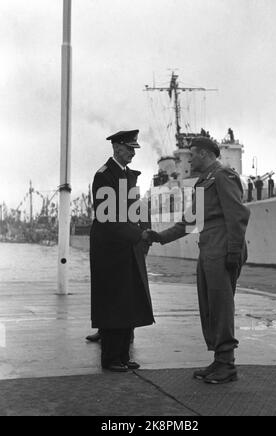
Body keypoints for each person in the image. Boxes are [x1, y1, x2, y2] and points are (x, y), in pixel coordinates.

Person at [147, 137, 250, 384]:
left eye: (192, 155)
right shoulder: (204, 182)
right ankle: (219, 359)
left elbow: (237, 215)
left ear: (204, 154)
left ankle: (227, 365)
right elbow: (189, 222)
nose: (189, 159)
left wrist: (234, 251)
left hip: (223, 247)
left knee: (221, 306)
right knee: (210, 306)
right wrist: (158, 236)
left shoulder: (223, 175)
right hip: (209, 247)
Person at [89, 129, 154, 372]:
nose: (132, 154)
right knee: (113, 301)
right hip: (110, 248)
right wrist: (139, 235)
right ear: (116, 148)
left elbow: (135, 209)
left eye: (134, 149)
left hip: (126, 245)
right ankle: (110, 357)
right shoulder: (104, 176)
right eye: (129, 149)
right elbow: (108, 217)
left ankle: (123, 355)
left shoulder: (128, 176)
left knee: (128, 300)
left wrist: (144, 230)